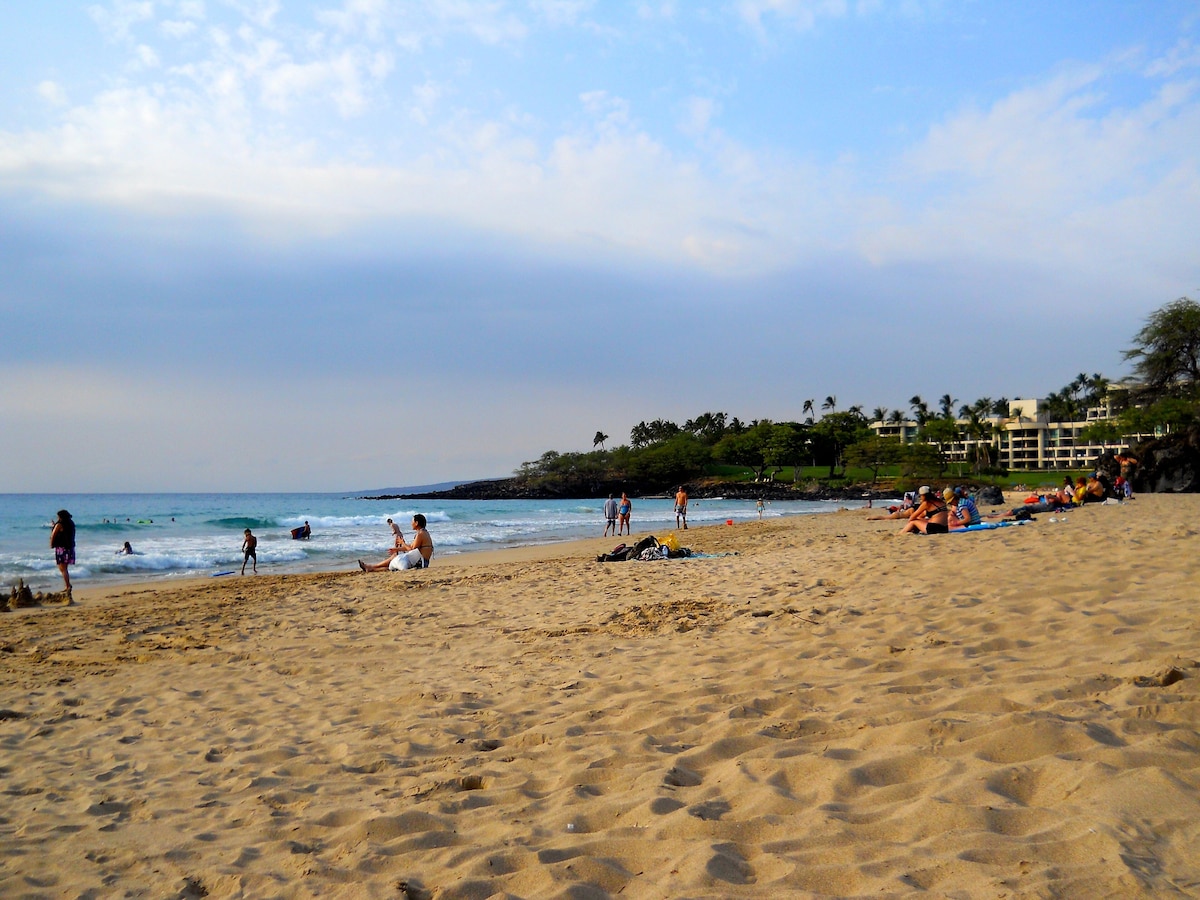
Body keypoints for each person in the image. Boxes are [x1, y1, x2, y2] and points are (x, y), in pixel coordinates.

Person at [360, 514, 434, 571]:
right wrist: (396, 549)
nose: (411, 523)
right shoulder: (423, 532)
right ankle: (371, 568)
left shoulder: (420, 534)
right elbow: (411, 547)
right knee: (394, 564)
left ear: (416, 523)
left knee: (395, 559)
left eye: (412, 521)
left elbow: (411, 549)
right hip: (421, 561)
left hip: (421, 563)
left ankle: (371, 567)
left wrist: (402, 542)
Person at [50, 509, 75, 593]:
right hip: (69, 547)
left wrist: (51, 544)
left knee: (62, 568)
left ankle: (68, 585)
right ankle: (67, 584)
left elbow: (53, 535)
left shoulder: (60, 524)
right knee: (65, 568)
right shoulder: (71, 523)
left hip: (61, 548)